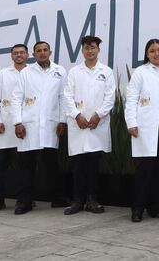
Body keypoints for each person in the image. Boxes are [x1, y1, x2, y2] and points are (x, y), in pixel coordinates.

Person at [10, 41, 68, 214]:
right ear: (33, 54)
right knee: (27, 166)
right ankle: (25, 202)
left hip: (51, 126)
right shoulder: (26, 72)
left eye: (45, 50)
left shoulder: (60, 71)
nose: (42, 53)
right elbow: (16, 98)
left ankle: (58, 198)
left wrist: (62, 121)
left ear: (50, 52)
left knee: (52, 165)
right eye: (38, 51)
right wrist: (18, 123)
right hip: (29, 126)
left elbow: (63, 98)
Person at [63, 35, 116, 215]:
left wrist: (98, 116)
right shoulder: (74, 72)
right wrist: (77, 116)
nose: (90, 50)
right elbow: (67, 96)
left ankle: (92, 200)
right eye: (87, 47)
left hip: (96, 125)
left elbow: (110, 97)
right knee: (78, 164)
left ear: (98, 50)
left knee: (93, 164)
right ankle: (77, 201)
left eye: (93, 47)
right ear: (82, 50)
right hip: (78, 124)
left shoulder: (106, 71)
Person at [125, 38, 159, 222]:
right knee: (145, 170)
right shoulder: (141, 72)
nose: (157, 53)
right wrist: (131, 122)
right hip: (146, 126)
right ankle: (137, 208)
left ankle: (153, 207)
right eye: (152, 51)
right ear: (147, 54)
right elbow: (131, 99)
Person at [0, 43, 27, 212]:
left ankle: (24, 200)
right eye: (15, 53)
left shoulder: (32, 72)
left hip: (25, 125)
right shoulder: (3, 73)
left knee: (24, 167)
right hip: (4, 126)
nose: (19, 55)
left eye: (22, 53)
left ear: (27, 55)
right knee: (0, 166)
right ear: (11, 56)